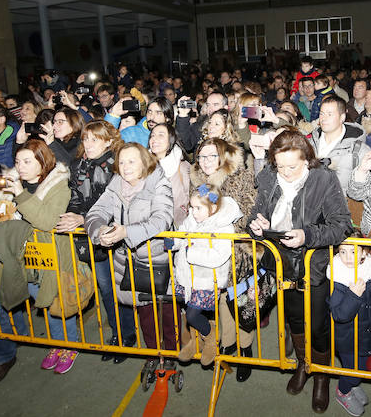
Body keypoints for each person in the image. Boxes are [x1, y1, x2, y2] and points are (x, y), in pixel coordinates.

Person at [248, 129, 352, 413]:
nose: (285, 172)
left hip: (313, 265)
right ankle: (304, 365)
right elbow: (256, 213)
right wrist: (255, 226)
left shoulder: (324, 179)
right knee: (295, 320)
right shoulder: (269, 177)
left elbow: (342, 225)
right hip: (281, 265)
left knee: (318, 326)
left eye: (292, 166)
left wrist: (307, 236)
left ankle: (322, 376)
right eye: (280, 166)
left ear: (307, 159)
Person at [0, 140, 79, 378]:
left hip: (52, 258)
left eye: (27, 161)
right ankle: (56, 343)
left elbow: (47, 221)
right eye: (18, 161)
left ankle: (71, 345)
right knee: (41, 302)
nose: (20, 167)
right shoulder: (8, 189)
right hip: (23, 260)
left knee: (58, 304)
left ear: (43, 161)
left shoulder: (57, 186)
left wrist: (20, 193)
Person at [84, 143, 176, 374]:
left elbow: (162, 220)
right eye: (122, 162)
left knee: (166, 311)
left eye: (132, 161)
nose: (125, 167)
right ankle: (152, 353)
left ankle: (172, 353)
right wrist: (99, 232)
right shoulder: (115, 186)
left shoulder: (158, 183)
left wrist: (127, 232)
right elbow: (95, 213)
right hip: (128, 262)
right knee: (143, 311)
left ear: (145, 162)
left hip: (159, 261)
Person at [55, 120, 129, 362]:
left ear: (109, 141)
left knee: (121, 287)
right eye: (85, 139)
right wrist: (73, 215)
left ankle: (127, 335)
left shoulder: (118, 166)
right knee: (106, 288)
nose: (87, 144)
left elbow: (117, 205)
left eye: (94, 139)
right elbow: (75, 195)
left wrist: (82, 218)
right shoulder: (78, 165)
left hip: (114, 236)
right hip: (90, 236)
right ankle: (118, 335)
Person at [173, 185, 242, 366]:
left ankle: (210, 337)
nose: (193, 212)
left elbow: (219, 256)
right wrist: (173, 241)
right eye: (192, 207)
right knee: (187, 307)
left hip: (206, 279)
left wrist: (191, 253)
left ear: (212, 208)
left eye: (198, 208)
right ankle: (197, 340)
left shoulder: (224, 227)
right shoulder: (192, 219)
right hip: (188, 277)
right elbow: (182, 235)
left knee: (192, 314)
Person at [328, 243, 371, 417]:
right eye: (342, 252)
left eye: (353, 251)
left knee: (362, 367)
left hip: (365, 333)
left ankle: (352, 384)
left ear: (364, 252)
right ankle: (343, 391)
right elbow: (339, 314)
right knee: (354, 371)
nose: (348, 257)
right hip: (346, 338)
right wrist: (353, 295)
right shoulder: (338, 278)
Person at [190, 137, 256, 231]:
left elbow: (248, 214)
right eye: (202, 157)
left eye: (212, 156)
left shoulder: (241, 177)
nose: (206, 161)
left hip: (234, 240)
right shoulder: (197, 181)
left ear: (222, 157)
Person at [309, 96, 370, 194]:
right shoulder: (309, 143)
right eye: (321, 114)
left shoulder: (359, 151)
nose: (323, 119)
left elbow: (364, 194)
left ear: (342, 117)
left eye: (329, 114)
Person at [148, 123, 190, 228]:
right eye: (152, 135)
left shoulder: (183, 167)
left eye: (160, 135)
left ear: (171, 139)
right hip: (149, 227)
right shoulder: (142, 166)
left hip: (178, 228)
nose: (154, 139)